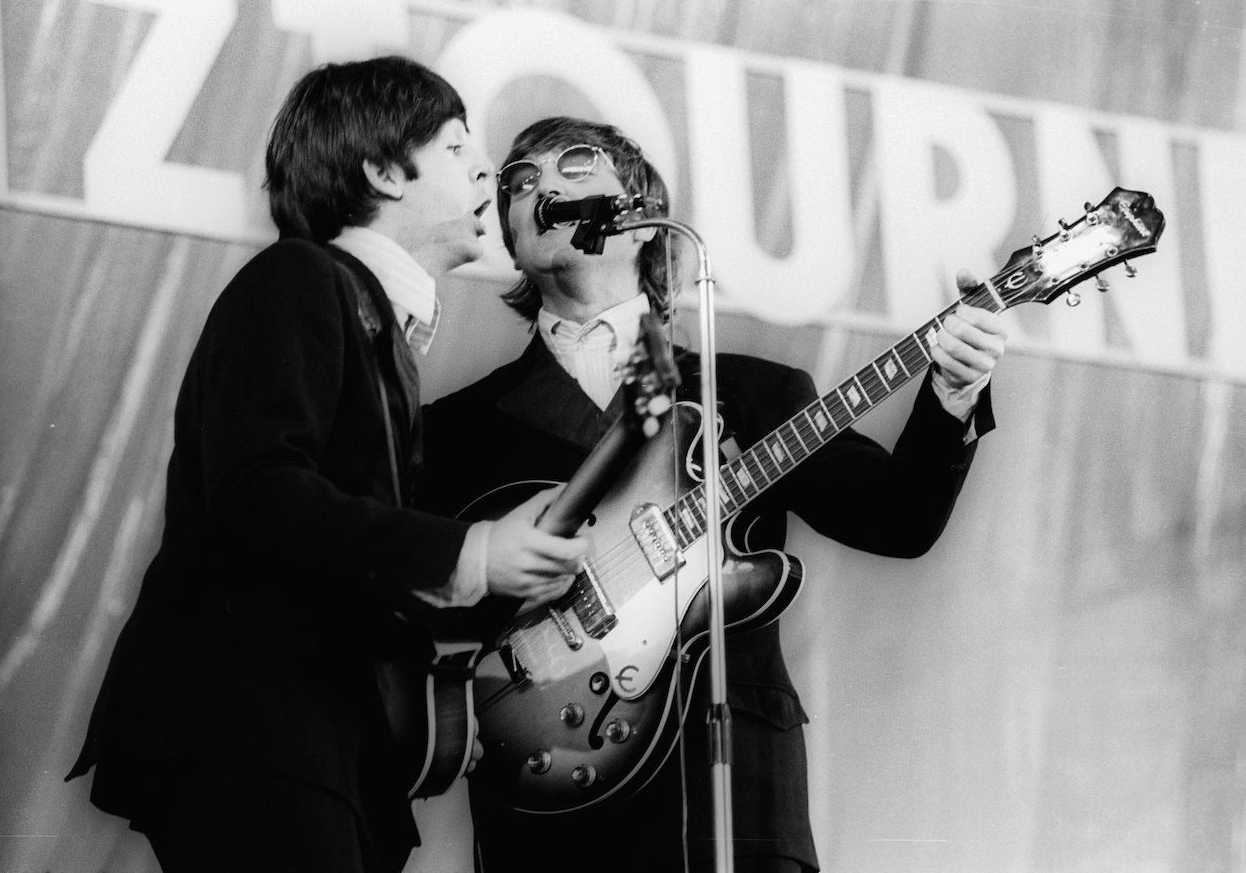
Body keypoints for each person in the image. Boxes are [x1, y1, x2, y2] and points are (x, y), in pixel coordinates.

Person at [417, 116, 1008, 873]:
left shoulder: (754, 393)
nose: (543, 186)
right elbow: (409, 599)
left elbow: (898, 517)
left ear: (639, 214)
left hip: (735, 803)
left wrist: (952, 395)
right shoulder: (455, 430)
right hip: (548, 805)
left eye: (573, 165)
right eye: (520, 184)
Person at [65, 59, 589, 873]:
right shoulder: (300, 278)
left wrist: (490, 585)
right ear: (382, 169)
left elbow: (341, 560)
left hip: (320, 745)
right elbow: (257, 495)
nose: (487, 168)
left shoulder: (371, 321)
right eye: (457, 147)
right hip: (259, 729)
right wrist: (471, 551)